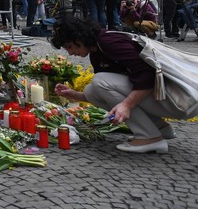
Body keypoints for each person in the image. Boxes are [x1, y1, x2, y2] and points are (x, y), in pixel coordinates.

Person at [51, 16, 181, 153]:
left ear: (79, 38)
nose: (70, 53)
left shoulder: (108, 42)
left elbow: (148, 75)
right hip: (160, 96)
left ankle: (150, 137)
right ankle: (159, 127)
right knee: (91, 89)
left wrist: (127, 105)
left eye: (69, 46)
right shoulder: (97, 50)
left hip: (174, 98)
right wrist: (76, 95)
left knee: (99, 81)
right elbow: (102, 92)